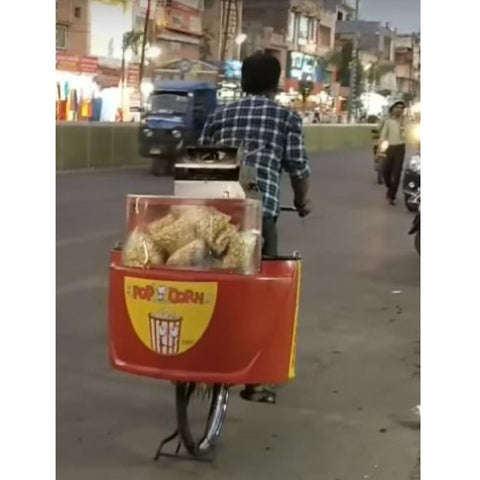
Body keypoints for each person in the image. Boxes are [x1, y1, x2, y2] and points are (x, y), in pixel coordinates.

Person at [199, 52, 312, 404]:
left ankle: (200, 355)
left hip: (213, 213)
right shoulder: (285, 117)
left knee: (209, 284)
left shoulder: (219, 114)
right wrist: (303, 201)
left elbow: (200, 159)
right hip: (259, 215)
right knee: (260, 294)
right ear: (274, 83)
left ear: (243, 81)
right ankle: (254, 381)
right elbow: (297, 169)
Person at [379, 100, 407, 205]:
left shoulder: (406, 121)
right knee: (386, 172)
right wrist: (381, 147)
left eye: (402, 108)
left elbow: (411, 134)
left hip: (400, 148)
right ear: (393, 109)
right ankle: (390, 187)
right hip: (389, 148)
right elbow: (383, 135)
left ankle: (392, 196)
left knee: (397, 172)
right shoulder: (389, 121)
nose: (399, 109)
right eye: (398, 107)